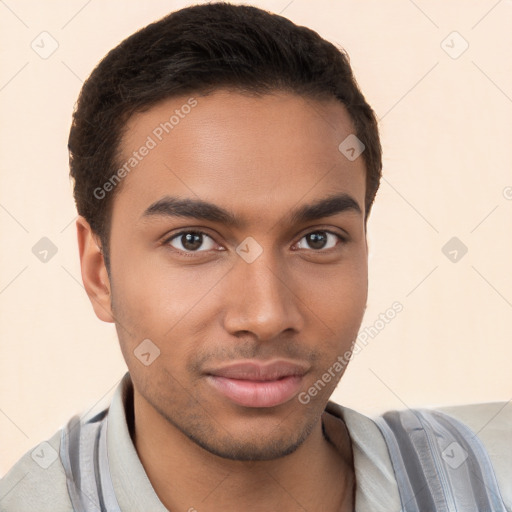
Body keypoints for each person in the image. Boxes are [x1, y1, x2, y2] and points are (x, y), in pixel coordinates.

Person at [1, 3, 510, 511]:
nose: (266, 315)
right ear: (99, 272)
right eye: (193, 241)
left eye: (317, 239)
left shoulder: (474, 476)